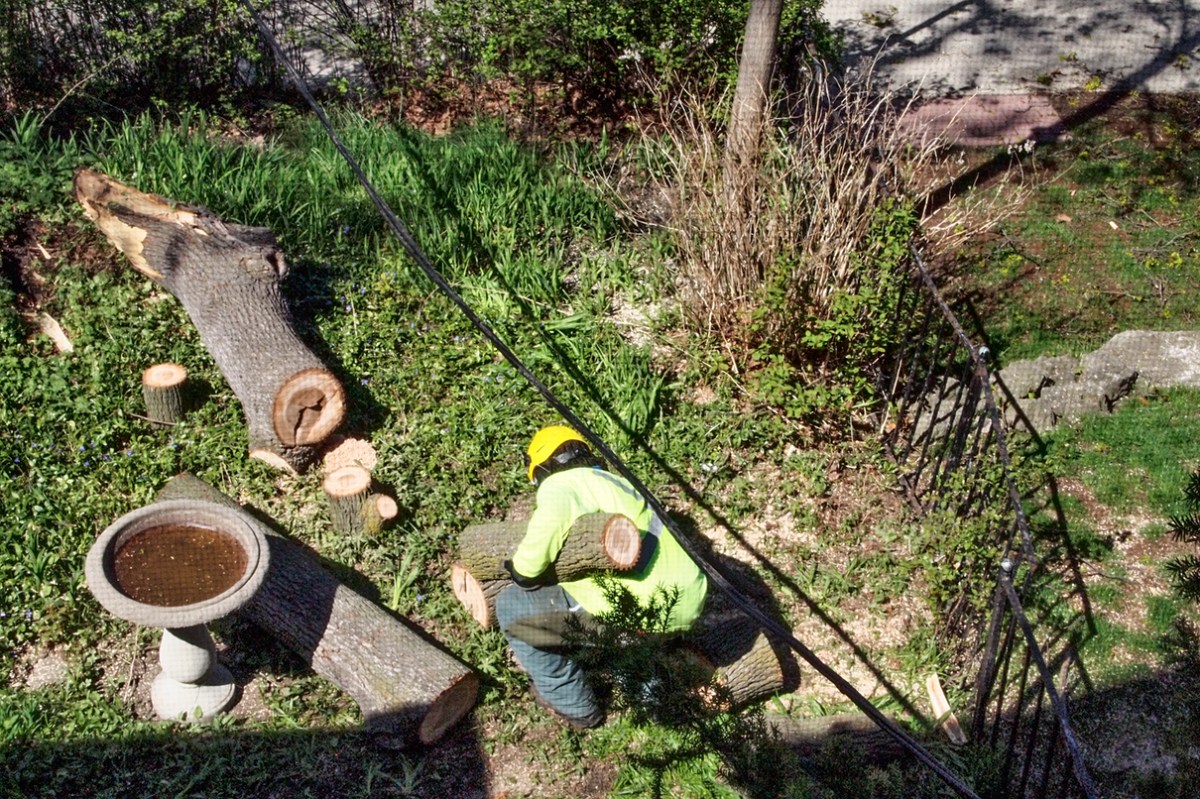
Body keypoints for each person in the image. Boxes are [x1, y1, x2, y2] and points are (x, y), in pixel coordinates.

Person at [494, 424, 709, 729]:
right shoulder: (619, 484)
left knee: (511, 607)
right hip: (688, 603)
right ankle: (652, 671)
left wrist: (522, 571)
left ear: (542, 468)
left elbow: (541, 543)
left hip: (638, 611)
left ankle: (578, 708)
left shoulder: (562, 484)